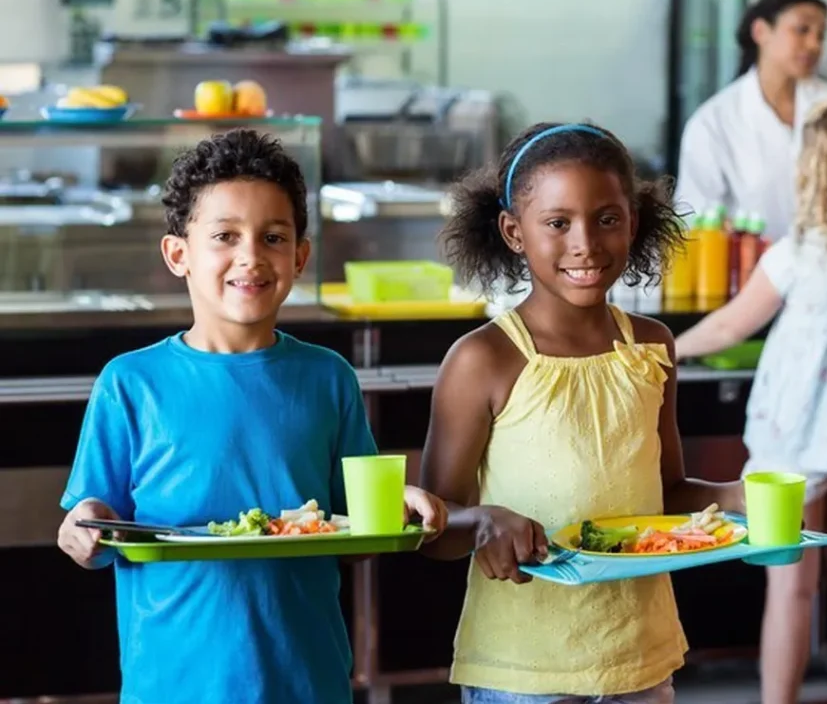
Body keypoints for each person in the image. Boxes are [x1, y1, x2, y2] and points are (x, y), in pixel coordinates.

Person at [55, 129, 448, 704]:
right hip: (173, 684)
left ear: (300, 255)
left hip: (306, 680)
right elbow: (88, 527)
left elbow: (357, 534)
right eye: (224, 236)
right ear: (178, 254)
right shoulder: (131, 384)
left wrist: (401, 507)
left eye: (273, 237)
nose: (251, 257)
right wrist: (83, 527)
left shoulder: (328, 377)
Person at [419, 121, 745, 704]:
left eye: (607, 219)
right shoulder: (482, 359)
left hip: (639, 662)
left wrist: (741, 496)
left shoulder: (651, 347)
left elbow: (665, 495)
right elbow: (434, 529)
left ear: (634, 222)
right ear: (514, 232)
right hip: (524, 672)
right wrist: (482, 521)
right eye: (557, 223)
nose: (586, 244)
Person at [674, 95, 827, 704]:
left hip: (793, 442)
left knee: (791, 589)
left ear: (812, 172)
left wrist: (666, 349)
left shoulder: (797, 254)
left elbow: (730, 327)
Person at [674, 0, 827, 239]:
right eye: (802, 30)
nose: (814, 44)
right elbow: (693, 211)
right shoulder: (714, 121)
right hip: (748, 270)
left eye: (821, 35)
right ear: (761, 32)